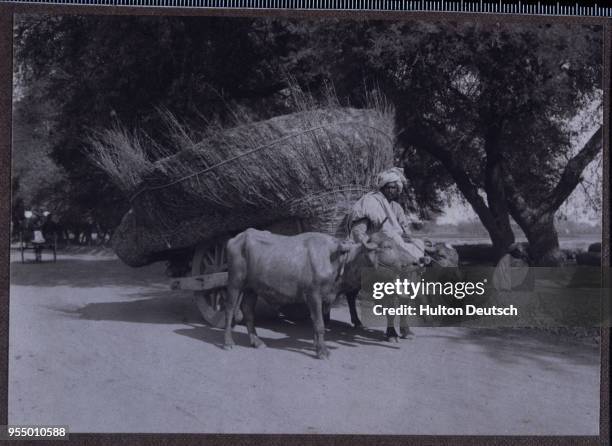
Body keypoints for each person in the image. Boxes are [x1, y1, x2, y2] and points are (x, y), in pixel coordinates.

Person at [349, 167, 426, 341]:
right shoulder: (369, 203)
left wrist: (409, 237)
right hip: (378, 246)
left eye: (395, 188)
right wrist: (367, 242)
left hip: (395, 245)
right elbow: (359, 230)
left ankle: (404, 324)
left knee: (415, 261)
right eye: (389, 187)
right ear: (383, 188)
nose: (392, 190)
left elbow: (405, 229)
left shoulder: (397, 208)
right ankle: (391, 328)